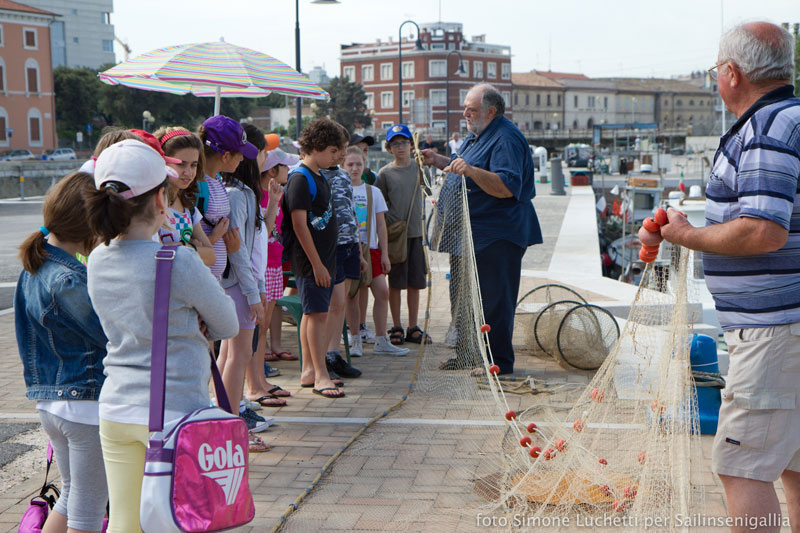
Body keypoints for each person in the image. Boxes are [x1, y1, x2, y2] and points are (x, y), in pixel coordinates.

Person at [656, 22, 800, 531]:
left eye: (717, 69)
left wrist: (687, 234)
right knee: (793, 464)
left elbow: (763, 230)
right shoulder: (792, 118)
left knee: (741, 467)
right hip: (789, 328)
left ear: (732, 73)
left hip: (774, 333)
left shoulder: (766, 129)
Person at [86, 140, 239, 533]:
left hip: (116, 405)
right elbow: (227, 325)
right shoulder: (178, 260)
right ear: (160, 200)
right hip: (175, 411)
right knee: (180, 520)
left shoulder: (97, 258)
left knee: (124, 522)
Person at [422, 83, 542, 375]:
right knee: (464, 298)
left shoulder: (505, 139)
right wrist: (440, 161)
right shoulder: (478, 134)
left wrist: (471, 171)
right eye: (465, 108)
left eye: (472, 109)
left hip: (496, 235)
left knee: (493, 299)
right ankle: (467, 355)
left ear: (491, 111)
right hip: (468, 235)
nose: (465, 113)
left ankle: (498, 362)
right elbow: (464, 166)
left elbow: (506, 186)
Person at [15, 172, 108, 533]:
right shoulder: (67, 278)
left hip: (53, 403)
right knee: (87, 509)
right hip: (83, 404)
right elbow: (107, 333)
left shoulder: (35, 267)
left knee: (72, 496)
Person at [281, 118, 349, 398]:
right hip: (312, 262)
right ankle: (321, 375)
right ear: (317, 147)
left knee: (312, 315)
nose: (337, 157)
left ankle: (309, 370)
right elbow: (299, 225)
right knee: (317, 316)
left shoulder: (318, 174)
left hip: (324, 259)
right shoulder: (300, 178)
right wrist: (317, 264)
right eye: (333, 151)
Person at [344, 146, 409, 357]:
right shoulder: (340, 191)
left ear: (365, 166)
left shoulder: (374, 192)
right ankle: (355, 338)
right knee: (352, 295)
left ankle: (381, 339)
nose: (354, 168)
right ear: (343, 166)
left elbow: (381, 225)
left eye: (358, 164)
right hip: (350, 249)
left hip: (371, 248)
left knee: (382, 292)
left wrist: (384, 253)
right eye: (350, 164)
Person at [376, 124, 430, 346]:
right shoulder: (385, 173)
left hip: (416, 233)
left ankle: (413, 326)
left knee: (415, 282)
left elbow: (428, 191)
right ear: (389, 148)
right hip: (395, 234)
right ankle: (397, 325)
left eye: (404, 143)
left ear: (411, 145)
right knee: (396, 283)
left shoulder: (419, 169)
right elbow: (379, 205)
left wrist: (425, 164)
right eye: (395, 144)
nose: (400, 147)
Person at [320, 134, 366, 377]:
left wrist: (358, 249)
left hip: (350, 243)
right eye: (339, 149)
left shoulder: (343, 175)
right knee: (333, 303)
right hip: (331, 246)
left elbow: (351, 211)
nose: (343, 154)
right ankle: (323, 356)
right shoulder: (314, 175)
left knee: (342, 303)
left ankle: (333, 353)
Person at [254, 148, 299, 366]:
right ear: (272, 171)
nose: (289, 170)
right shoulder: (256, 196)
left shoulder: (277, 195)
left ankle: (270, 350)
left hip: (275, 261)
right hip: (262, 264)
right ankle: (259, 357)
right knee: (260, 318)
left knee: (271, 310)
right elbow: (264, 230)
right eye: (285, 167)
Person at [154, 127, 216, 266]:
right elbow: (154, 252)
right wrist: (192, 248)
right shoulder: (152, 205)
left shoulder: (189, 207)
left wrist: (183, 246)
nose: (188, 172)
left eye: (194, 165)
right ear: (163, 162)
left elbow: (211, 256)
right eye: (181, 164)